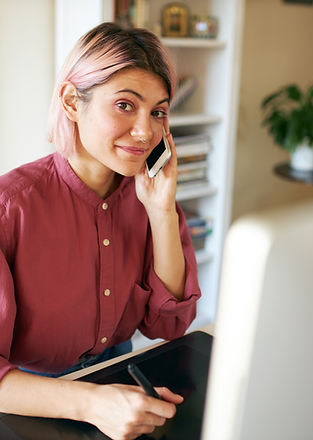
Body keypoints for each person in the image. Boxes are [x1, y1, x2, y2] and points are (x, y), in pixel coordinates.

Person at [0, 22, 201, 439]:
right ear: (73, 101)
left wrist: (161, 212)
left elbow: (168, 328)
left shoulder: (151, 196)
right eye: (125, 105)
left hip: (120, 375)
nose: (146, 132)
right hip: (28, 396)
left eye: (158, 111)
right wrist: (91, 402)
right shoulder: (10, 208)